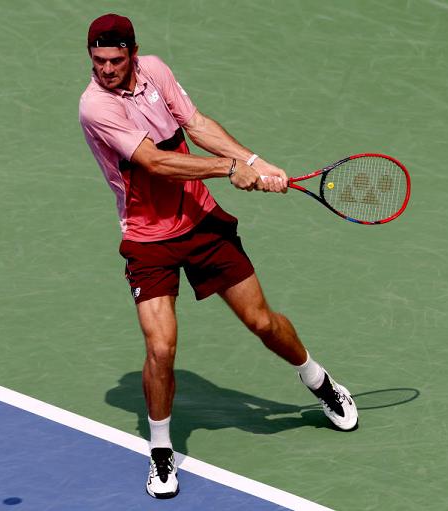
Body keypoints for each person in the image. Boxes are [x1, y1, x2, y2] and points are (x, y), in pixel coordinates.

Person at [79, 13, 358, 500]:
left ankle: (319, 380)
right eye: (98, 61)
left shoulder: (157, 72)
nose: (105, 70)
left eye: (114, 60)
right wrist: (230, 169)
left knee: (262, 323)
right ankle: (162, 451)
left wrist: (253, 161)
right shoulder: (95, 106)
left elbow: (198, 124)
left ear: (133, 54)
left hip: (202, 222)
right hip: (149, 240)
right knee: (161, 348)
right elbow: (156, 162)